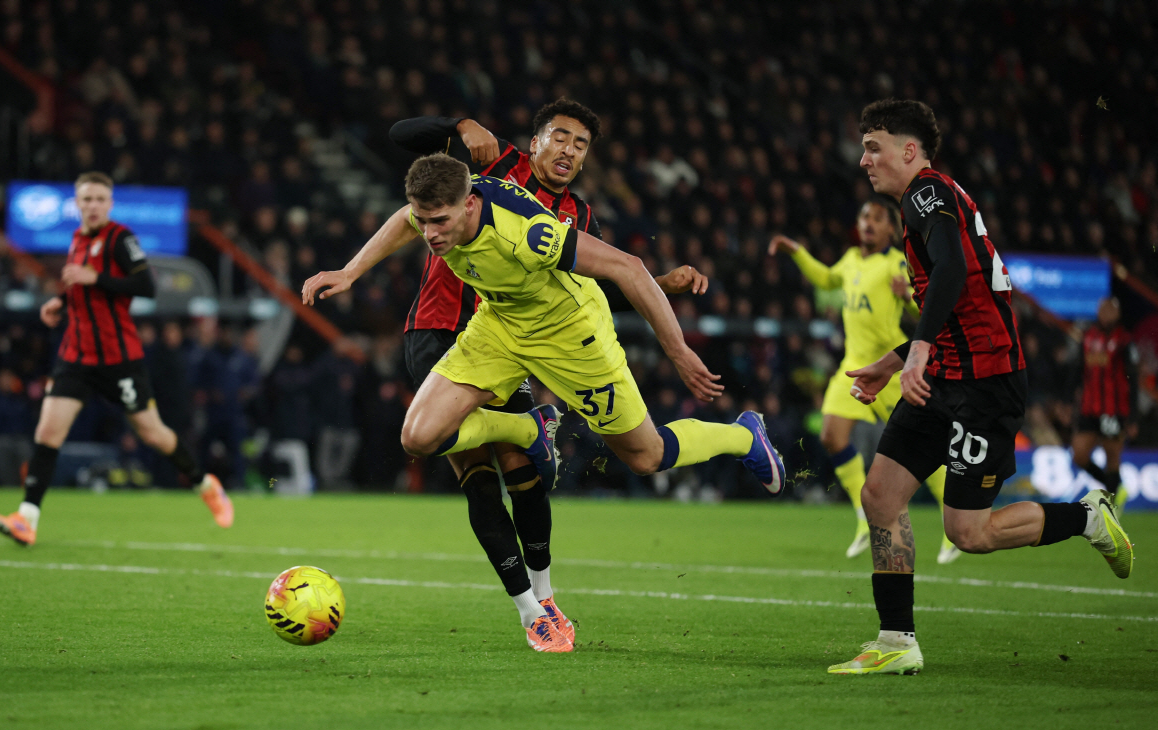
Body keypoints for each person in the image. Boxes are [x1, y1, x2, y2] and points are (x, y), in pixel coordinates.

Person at [303, 154, 786, 653]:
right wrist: (351, 270)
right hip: (501, 327)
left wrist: (679, 351)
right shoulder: (436, 212)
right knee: (418, 437)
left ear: (469, 205)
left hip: (570, 335)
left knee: (646, 456)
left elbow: (629, 267)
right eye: (423, 221)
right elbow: (401, 222)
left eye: (440, 221)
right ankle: (529, 431)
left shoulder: (527, 232)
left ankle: (743, 434)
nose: (430, 234)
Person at [387, 100, 706, 649]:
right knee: (478, 482)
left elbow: (592, 289)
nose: (568, 151)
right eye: (560, 137)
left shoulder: (577, 218)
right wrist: (462, 125)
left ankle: (546, 593)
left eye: (580, 145)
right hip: (443, 331)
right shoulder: (490, 165)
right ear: (535, 142)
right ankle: (529, 610)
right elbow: (401, 133)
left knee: (526, 476)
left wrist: (658, 283)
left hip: (516, 340)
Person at [830, 100, 1133, 675]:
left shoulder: (926, 193)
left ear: (909, 150)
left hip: (985, 384)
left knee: (967, 531)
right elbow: (953, 304)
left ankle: (1088, 517)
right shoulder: (926, 201)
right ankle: (896, 642)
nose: (864, 158)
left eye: (874, 146)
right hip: (944, 375)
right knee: (880, 495)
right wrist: (895, 362)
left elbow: (953, 273)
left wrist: (914, 352)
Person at [0, 172, 233, 546]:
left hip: (119, 358)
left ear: (110, 203)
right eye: (86, 199)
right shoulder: (76, 239)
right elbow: (83, 289)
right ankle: (27, 519)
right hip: (76, 355)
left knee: (153, 433)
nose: (92, 206)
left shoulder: (121, 239)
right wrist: (62, 302)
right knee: (47, 433)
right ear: (77, 203)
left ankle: (205, 484)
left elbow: (146, 286)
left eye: (99, 199)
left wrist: (96, 277)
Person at [770, 201, 959, 564]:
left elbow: (927, 314)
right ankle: (863, 520)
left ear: (891, 230)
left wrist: (908, 297)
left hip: (889, 370)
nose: (868, 224)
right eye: (863, 218)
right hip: (854, 366)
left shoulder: (897, 265)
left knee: (922, 447)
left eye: (876, 219)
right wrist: (796, 250)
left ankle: (952, 524)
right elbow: (826, 278)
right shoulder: (851, 259)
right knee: (830, 434)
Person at [1071, 297, 1137, 506]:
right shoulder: (1088, 337)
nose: (1106, 314)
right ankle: (1116, 488)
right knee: (1079, 455)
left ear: (1117, 314)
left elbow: (1132, 380)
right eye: (1103, 309)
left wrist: (1133, 417)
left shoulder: (1124, 340)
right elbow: (1078, 371)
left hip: (1113, 409)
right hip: (1089, 408)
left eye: (1110, 310)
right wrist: (1067, 398)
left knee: (1112, 457)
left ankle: (1113, 503)